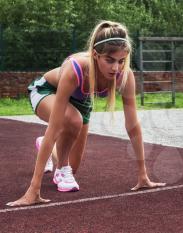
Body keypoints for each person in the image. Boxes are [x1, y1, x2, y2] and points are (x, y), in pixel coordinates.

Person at [7, 20, 166, 206]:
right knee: (72, 119)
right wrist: (33, 189)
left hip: (81, 102)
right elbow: (54, 127)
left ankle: (48, 149)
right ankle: (48, 154)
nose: (116, 68)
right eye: (109, 60)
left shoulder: (125, 75)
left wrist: (143, 175)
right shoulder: (75, 69)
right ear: (96, 55)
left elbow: (133, 126)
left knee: (71, 167)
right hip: (46, 91)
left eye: (121, 61)